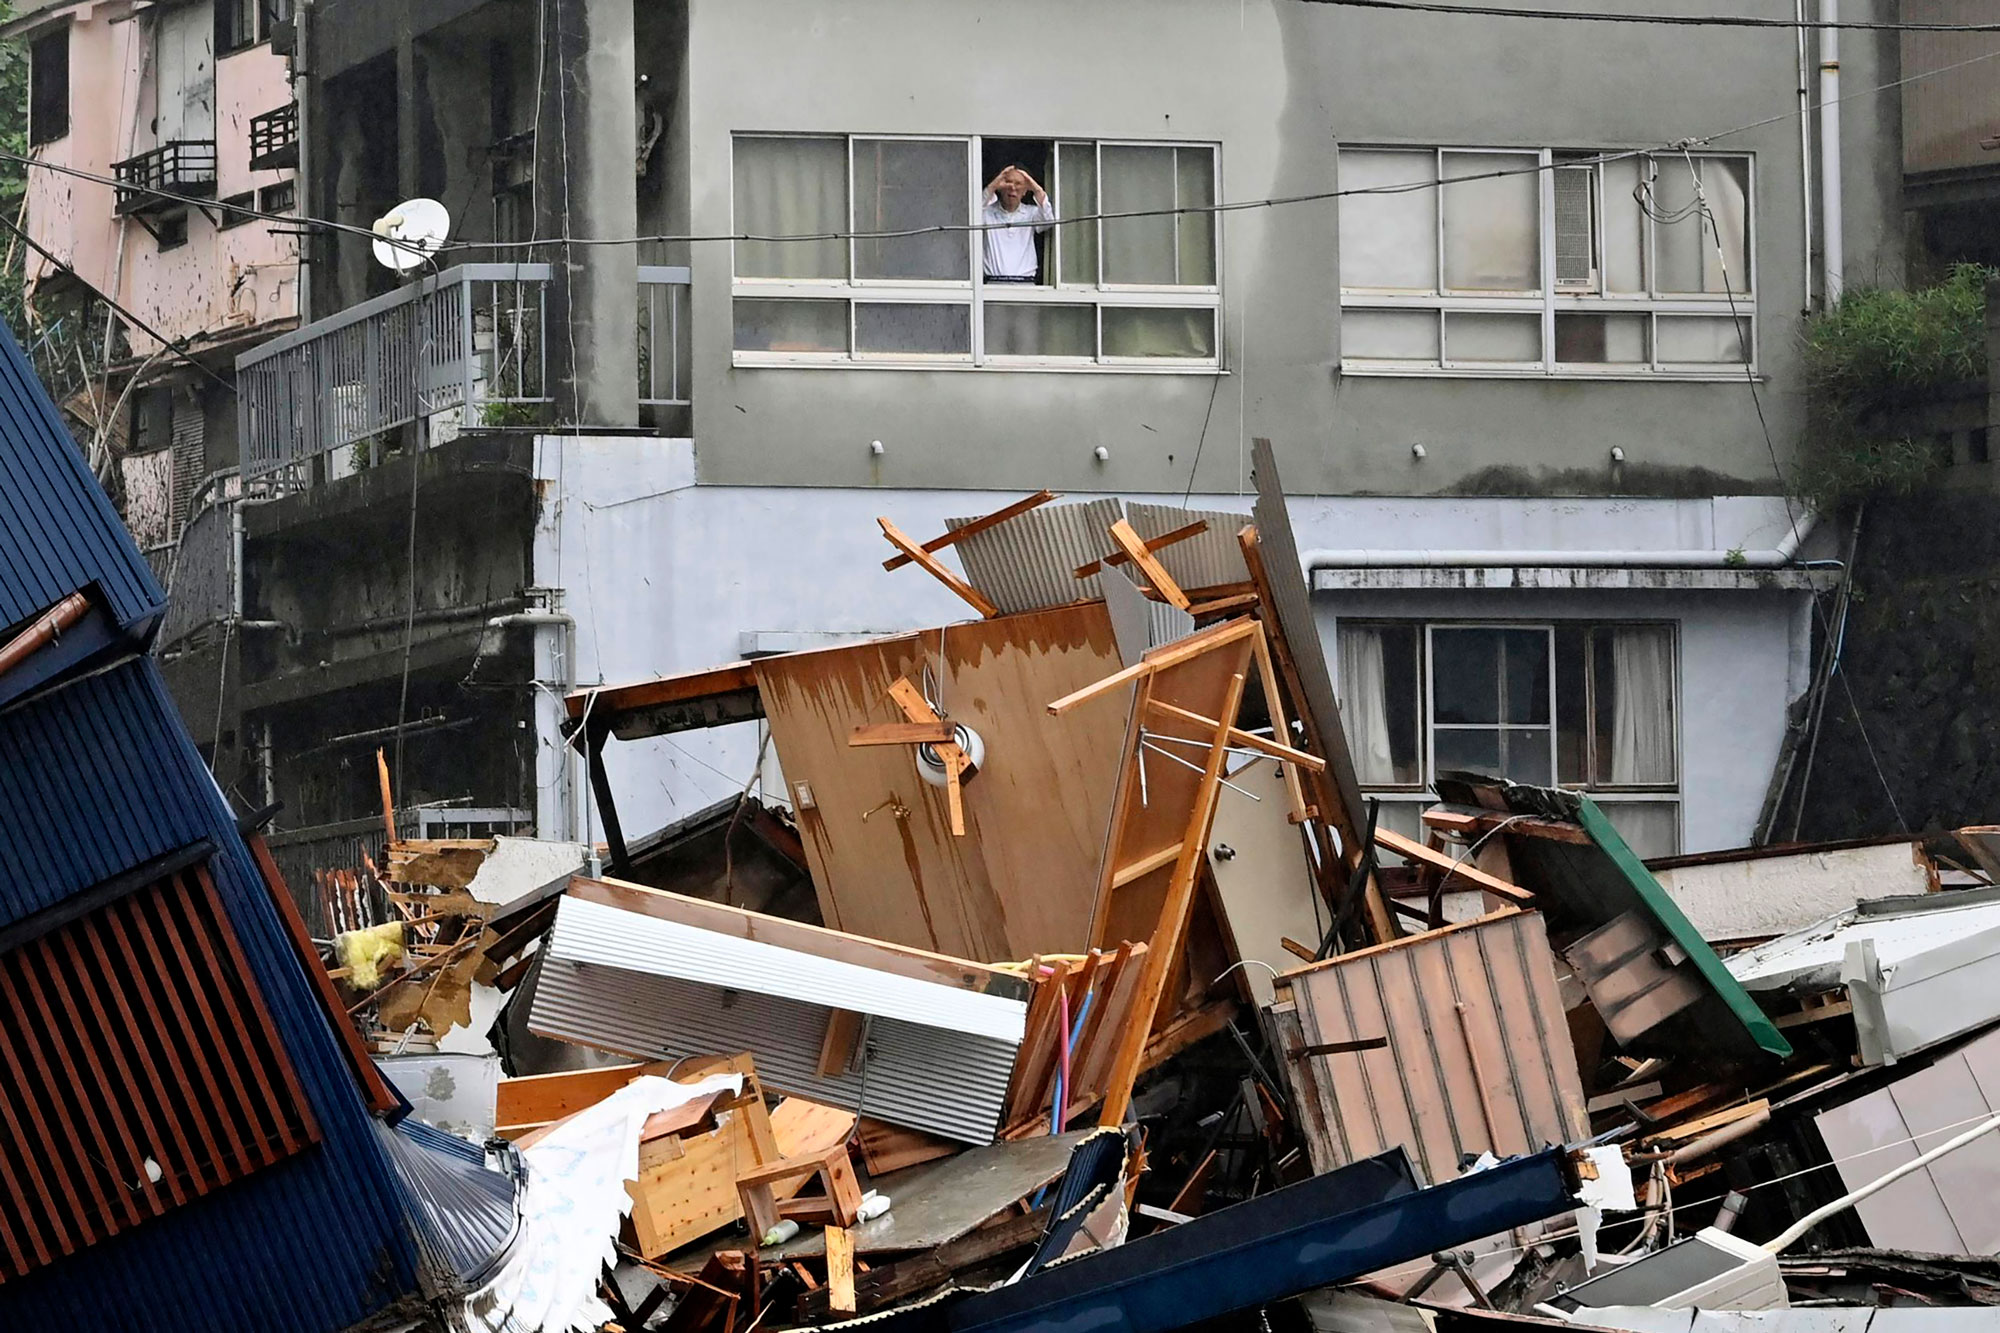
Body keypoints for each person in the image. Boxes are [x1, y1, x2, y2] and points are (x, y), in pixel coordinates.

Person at [982, 166, 1056, 283]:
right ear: (1000, 187)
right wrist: (992, 186)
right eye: (1008, 182)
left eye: (1018, 184)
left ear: (1025, 191)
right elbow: (972, 217)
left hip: (1025, 284)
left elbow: (1048, 221)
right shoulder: (987, 213)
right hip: (993, 284)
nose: (1013, 188)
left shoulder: (1031, 213)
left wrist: (1036, 189)